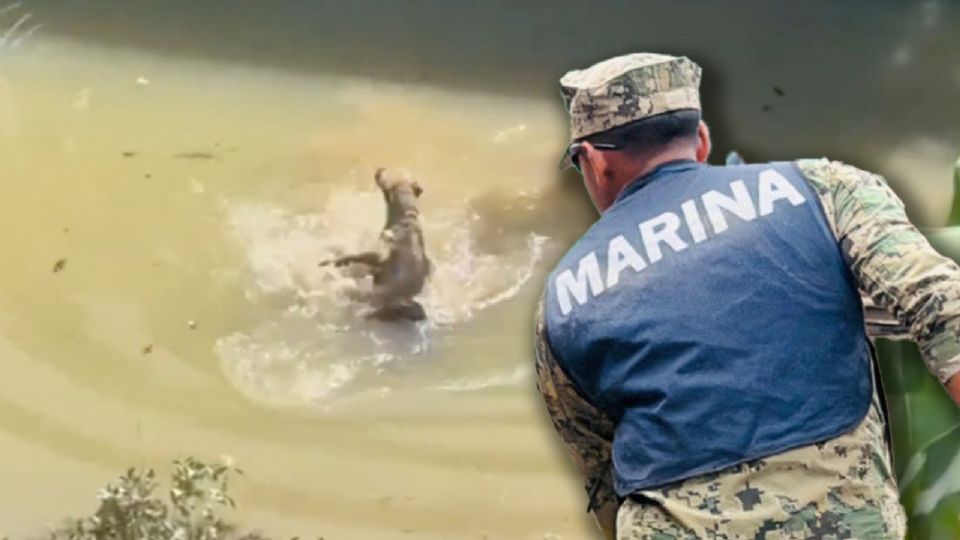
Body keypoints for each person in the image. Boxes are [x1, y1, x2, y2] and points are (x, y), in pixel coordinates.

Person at [534, 52, 960, 539]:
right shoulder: (823, 188)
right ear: (701, 140)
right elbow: (940, 304)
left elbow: (600, 468)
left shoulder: (562, 296)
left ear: (594, 159)